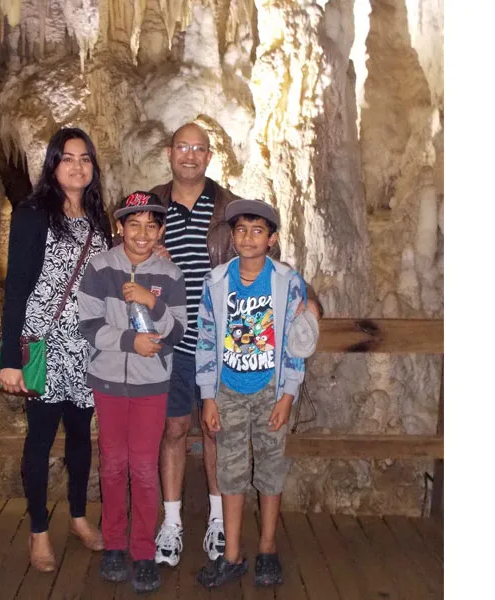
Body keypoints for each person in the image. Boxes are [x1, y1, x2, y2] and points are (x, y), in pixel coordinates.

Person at [150, 122, 323, 567]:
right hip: (171, 343)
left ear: (209, 156)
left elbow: (273, 267)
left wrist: (311, 303)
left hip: (227, 351)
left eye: (199, 148)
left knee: (216, 434)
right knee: (173, 430)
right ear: (170, 152)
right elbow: (127, 253)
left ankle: (218, 523)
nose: (190, 155)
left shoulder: (228, 208)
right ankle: (171, 523)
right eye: (183, 147)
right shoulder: (152, 206)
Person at [0, 127, 112, 572]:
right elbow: (15, 289)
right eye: (67, 158)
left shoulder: (99, 218)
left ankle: (79, 517)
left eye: (85, 158)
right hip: (45, 345)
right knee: (41, 440)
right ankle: (39, 530)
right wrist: (11, 359)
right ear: (53, 164)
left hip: (86, 347)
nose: (77, 166)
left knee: (81, 436)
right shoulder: (33, 214)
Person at [195, 199, 315, 588]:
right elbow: (206, 340)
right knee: (229, 470)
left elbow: (295, 343)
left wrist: (288, 395)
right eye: (242, 230)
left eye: (258, 231)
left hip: (270, 389)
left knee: (270, 466)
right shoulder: (216, 282)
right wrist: (208, 396)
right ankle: (232, 553)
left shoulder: (287, 282)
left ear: (272, 239)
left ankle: (267, 547)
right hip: (228, 388)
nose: (248, 238)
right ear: (232, 236)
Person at [78, 191, 187, 593]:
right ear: (119, 227)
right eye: (134, 225)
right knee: (112, 464)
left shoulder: (170, 275)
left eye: (151, 226)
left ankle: (143, 550)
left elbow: (178, 331)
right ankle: (113, 544)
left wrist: (151, 303)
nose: (142, 234)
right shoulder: (100, 268)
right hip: (108, 381)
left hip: (150, 385)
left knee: (142, 467)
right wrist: (130, 342)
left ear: (161, 231)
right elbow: (89, 325)